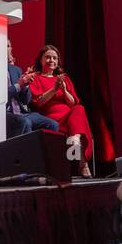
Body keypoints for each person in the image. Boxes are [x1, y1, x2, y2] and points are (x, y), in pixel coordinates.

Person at [29, 44, 93, 177]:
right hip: (51, 120)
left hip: (69, 118)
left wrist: (63, 90)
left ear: (58, 61)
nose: (51, 60)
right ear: (40, 60)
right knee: (77, 120)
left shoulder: (64, 78)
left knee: (79, 108)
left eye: (54, 58)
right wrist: (53, 89)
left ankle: (74, 138)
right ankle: (82, 163)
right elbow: (38, 103)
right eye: (47, 57)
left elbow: (72, 102)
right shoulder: (35, 78)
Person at [7, 44, 58, 137]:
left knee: (52, 124)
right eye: (5, 45)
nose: (8, 48)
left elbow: (26, 100)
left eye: (9, 46)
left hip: (23, 112)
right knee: (24, 122)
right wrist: (19, 85)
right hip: (6, 113)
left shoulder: (16, 70)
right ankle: (28, 151)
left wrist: (25, 86)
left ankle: (47, 152)